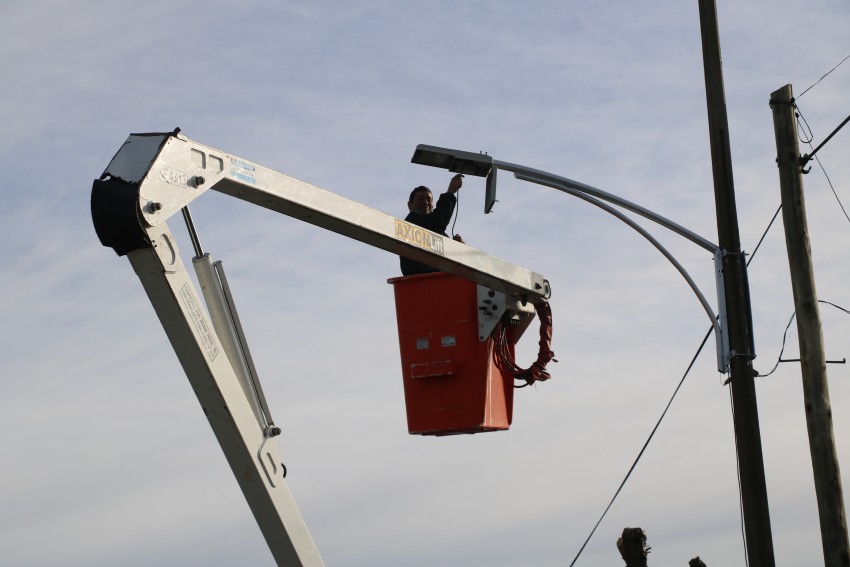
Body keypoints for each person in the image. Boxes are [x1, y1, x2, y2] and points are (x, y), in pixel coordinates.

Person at [399, 173, 465, 276]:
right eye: (420, 199)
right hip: (420, 281)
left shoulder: (438, 232)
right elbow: (437, 221)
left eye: (429, 199)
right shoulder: (411, 222)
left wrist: (459, 248)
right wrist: (450, 193)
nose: (425, 202)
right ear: (410, 205)